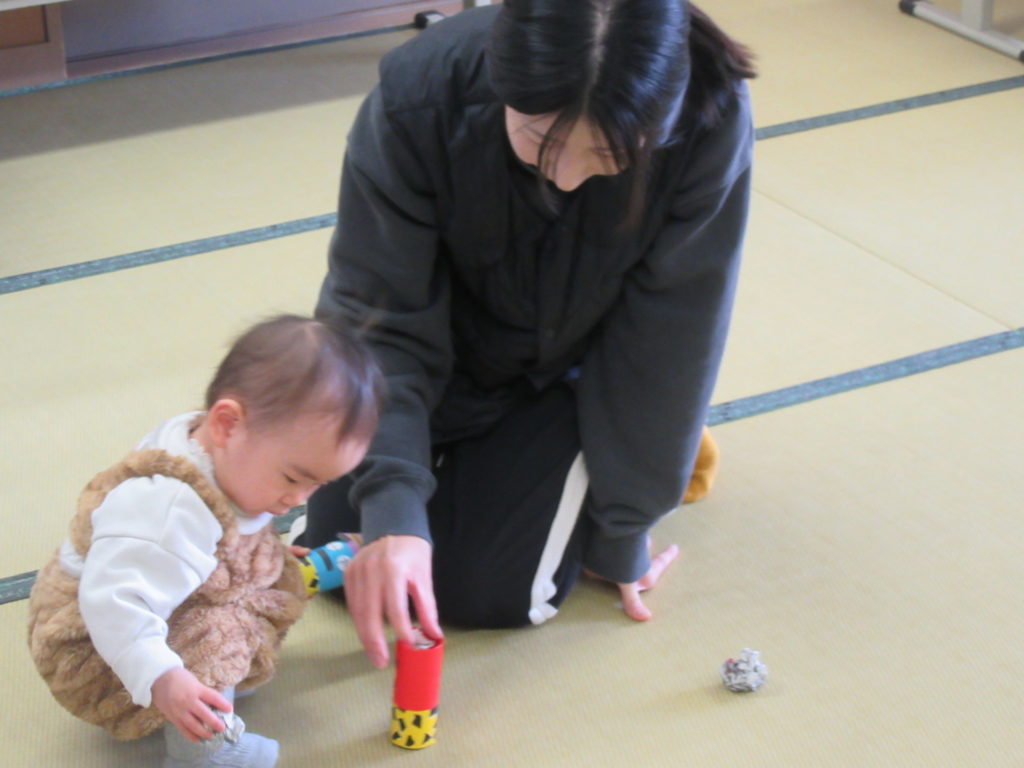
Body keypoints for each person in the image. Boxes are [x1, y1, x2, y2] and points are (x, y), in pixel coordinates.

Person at [296, 0, 756, 669]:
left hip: (570, 376)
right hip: (432, 351)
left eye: (606, 154)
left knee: (493, 592)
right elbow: (378, 315)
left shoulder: (707, 118)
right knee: (348, 555)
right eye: (539, 138)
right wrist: (393, 508)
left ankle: (614, 455)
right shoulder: (420, 97)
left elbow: (672, 335)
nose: (564, 176)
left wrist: (624, 526)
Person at [28, 315, 382, 768]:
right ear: (227, 425)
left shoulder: (219, 449)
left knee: (267, 573)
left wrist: (260, 553)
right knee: (217, 633)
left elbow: (223, 530)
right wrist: (163, 677)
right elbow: (115, 604)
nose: (299, 499)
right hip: (96, 644)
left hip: (138, 591)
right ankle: (207, 755)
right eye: (294, 477)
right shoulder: (168, 513)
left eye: (317, 485)